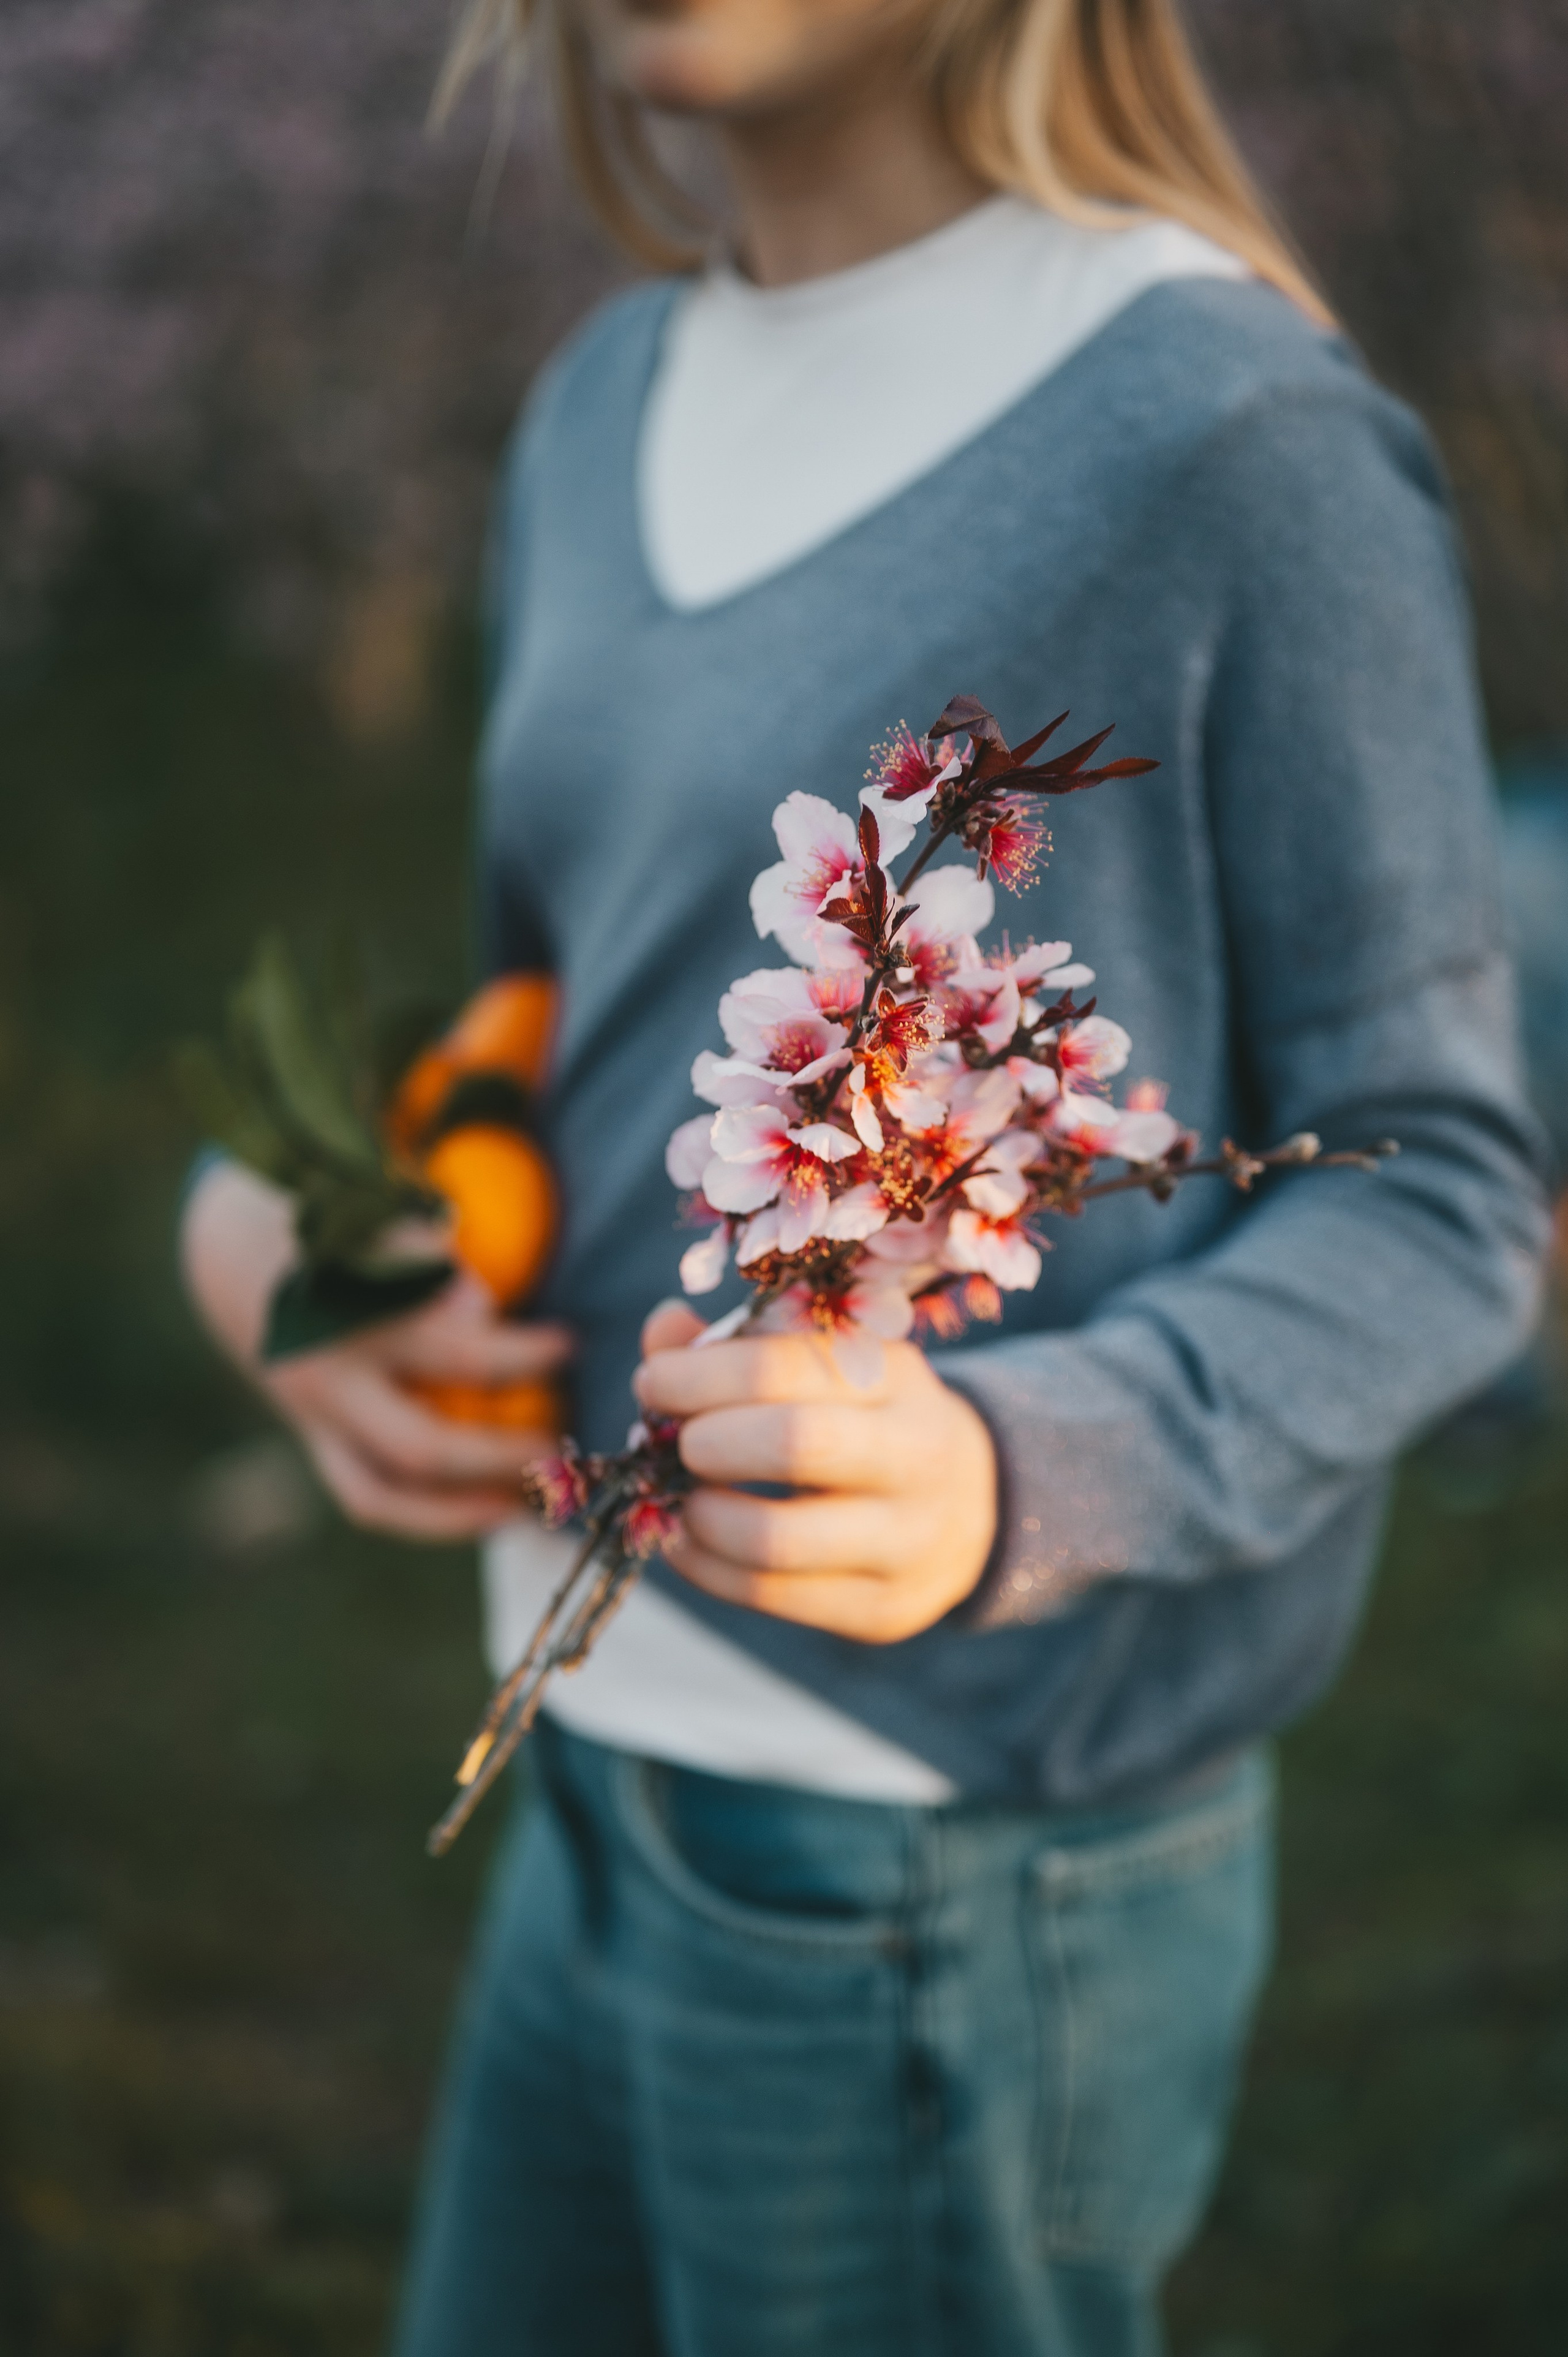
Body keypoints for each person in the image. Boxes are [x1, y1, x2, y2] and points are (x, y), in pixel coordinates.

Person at [181, 2, 1551, 2350]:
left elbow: (1439, 1190)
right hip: (595, 1753)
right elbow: (563, 1012)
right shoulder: (598, 406)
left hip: (945, 1871)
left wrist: (1028, 1468)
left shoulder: (1233, 438)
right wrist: (284, 1230)